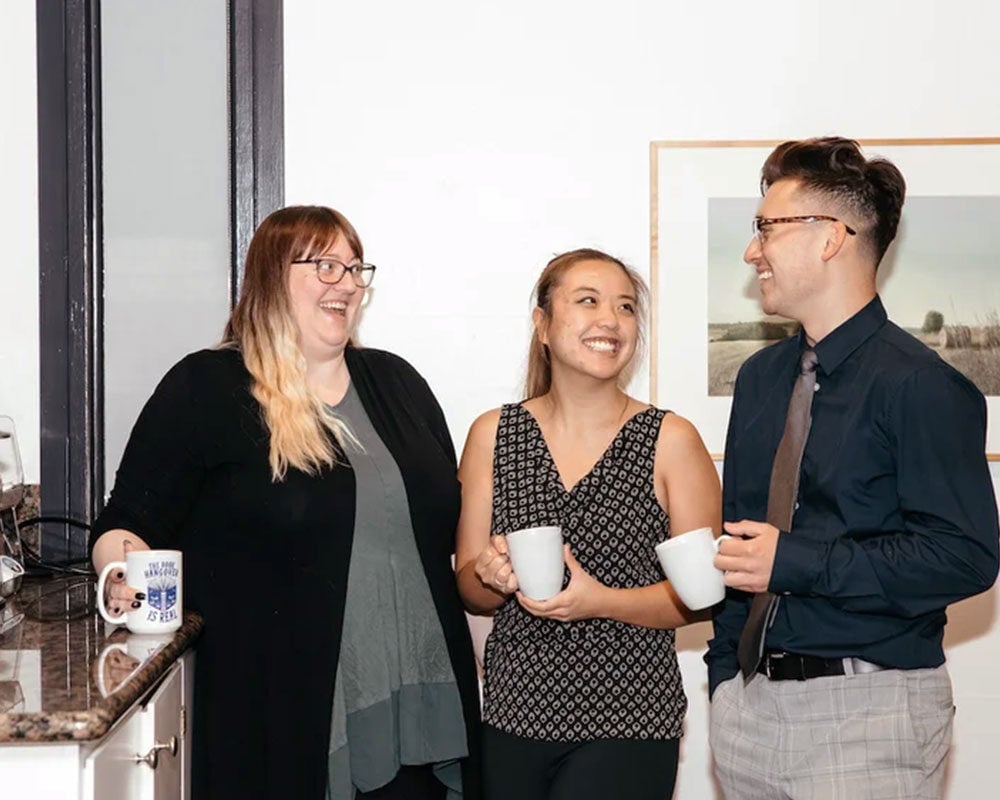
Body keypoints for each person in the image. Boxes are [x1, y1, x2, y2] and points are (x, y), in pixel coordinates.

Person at [90, 206, 481, 800]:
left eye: (355, 269)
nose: (346, 283)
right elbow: (128, 522)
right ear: (273, 274)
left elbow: (436, 540)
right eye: (326, 265)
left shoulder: (399, 384)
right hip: (279, 717)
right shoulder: (206, 388)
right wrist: (121, 572)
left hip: (420, 711)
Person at [706, 137, 1000, 799]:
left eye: (765, 229)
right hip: (750, 712)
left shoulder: (921, 386)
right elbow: (743, 540)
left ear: (830, 237)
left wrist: (798, 561)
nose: (753, 251)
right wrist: (726, 676)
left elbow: (964, 557)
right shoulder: (759, 380)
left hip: (870, 713)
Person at [455, 248, 721, 800]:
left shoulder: (671, 440)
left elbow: (702, 598)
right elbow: (468, 589)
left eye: (625, 307)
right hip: (513, 714)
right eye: (588, 301)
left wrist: (599, 600)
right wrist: (491, 576)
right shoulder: (493, 435)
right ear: (543, 325)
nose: (610, 320)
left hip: (629, 718)